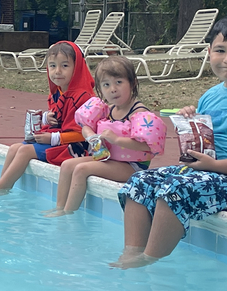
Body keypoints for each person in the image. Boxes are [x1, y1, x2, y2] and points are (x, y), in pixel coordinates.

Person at [112, 16, 227, 268]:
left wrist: (215, 167)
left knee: (175, 189)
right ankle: (131, 254)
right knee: (140, 181)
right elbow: (206, 143)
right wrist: (191, 124)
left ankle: (150, 263)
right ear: (209, 53)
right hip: (212, 172)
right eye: (220, 50)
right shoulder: (211, 96)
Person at [0, 41, 95, 195]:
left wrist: (53, 138)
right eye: (52, 66)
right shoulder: (58, 92)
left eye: (65, 66)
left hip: (77, 147)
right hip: (59, 139)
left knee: (25, 151)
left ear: (77, 67)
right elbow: (59, 119)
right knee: (14, 148)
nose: (57, 71)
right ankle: (1, 186)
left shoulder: (83, 97)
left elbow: (84, 134)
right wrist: (47, 118)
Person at [44, 55, 166, 216]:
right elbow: (85, 127)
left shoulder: (139, 112)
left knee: (81, 169)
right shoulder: (107, 109)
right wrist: (90, 136)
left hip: (133, 166)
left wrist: (116, 140)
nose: (112, 89)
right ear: (100, 89)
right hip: (109, 158)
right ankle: (59, 207)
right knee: (67, 165)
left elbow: (147, 146)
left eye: (119, 82)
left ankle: (68, 213)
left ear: (133, 82)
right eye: (106, 85)